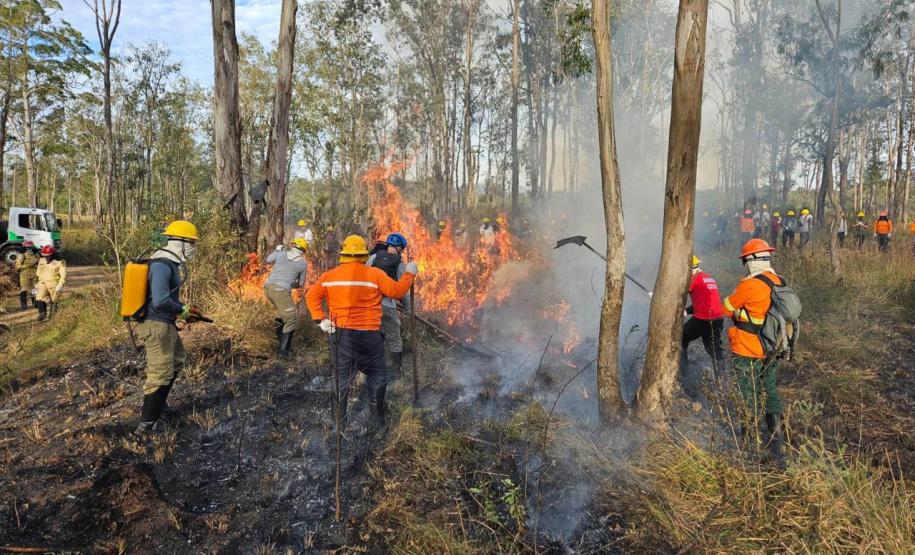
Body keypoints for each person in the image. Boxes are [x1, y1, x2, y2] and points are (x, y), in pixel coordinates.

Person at [306, 235, 418, 426]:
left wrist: (321, 320)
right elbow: (397, 291)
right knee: (377, 374)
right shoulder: (374, 274)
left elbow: (311, 296)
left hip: (339, 334)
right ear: (364, 255)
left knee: (341, 376)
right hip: (368, 334)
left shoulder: (329, 276)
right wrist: (409, 273)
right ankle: (377, 422)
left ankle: (339, 425)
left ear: (343, 255)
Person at [722, 238, 785, 462]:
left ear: (749, 261)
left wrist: (738, 314)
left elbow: (726, 307)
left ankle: (750, 447)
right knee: (770, 390)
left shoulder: (749, 284)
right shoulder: (778, 281)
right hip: (773, 347)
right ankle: (777, 445)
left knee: (747, 393)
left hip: (748, 347)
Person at [135, 220, 199, 434]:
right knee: (160, 372)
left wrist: (183, 310)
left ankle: (160, 407)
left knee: (176, 360)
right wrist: (182, 310)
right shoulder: (162, 264)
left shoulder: (170, 262)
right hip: (157, 324)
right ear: (178, 242)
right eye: (191, 242)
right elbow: (160, 301)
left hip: (165, 323)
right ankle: (147, 424)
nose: (193, 246)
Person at [366, 232, 412, 377]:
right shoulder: (399, 264)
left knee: (374, 333)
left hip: (369, 304)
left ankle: (374, 366)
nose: (402, 251)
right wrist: (407, 308)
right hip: (387, 305)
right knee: (394, 336)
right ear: (399, 248)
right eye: (402, 249)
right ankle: (396, 371)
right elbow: (403, 291)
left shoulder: (373, 258)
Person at [681, 256, 725, 381]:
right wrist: (687, 311)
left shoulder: (693, 279)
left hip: (703, 319)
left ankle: (683, 374)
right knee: (714, 349)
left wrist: (658, 296)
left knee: (680, 338)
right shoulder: (707, 277)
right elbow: (703, 301)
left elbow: (677, 293)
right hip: (717, 318)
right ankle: (721, 382)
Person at [264, 238, 309, 359]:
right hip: (281, 291)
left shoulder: (282, 253)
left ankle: (279, 342)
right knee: (292, 320)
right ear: (304, 251)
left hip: (268, 288)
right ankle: (283, 353)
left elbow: (268, 260)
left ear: (293, 246)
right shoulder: (303, 263)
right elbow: (301, 284)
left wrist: (277, 251)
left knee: (281, 314)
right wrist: (292, 285)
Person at [35, 245, 66, 322]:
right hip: (42, 282)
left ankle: (52, 316)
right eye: (45, 256)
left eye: (48, 256)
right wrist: (36, 282)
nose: (46, 257)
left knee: (54, 299)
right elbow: (38, 272)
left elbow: (63, 274)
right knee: (39, 297)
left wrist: (60, 284)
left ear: (52, 254)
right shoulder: (41, 260)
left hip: (54, 283)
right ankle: (42, 313)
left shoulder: (60, 261)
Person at [15, 241, 39, 311]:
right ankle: (24, 305)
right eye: (27, 247)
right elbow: (17, 266)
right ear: (24, 248)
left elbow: (41, 265)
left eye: (31, 247)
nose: (29, 249)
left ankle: (35, 304)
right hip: (24, 276)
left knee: (34, 290)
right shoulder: (22, 256)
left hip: (34, 275)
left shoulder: (37, 256)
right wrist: (26, 266)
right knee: (24, 290)